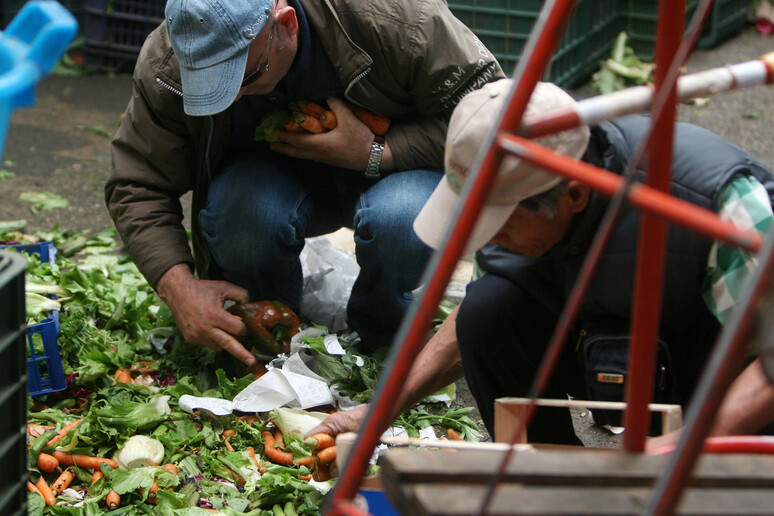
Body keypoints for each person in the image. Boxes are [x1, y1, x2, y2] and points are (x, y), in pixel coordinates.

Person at [308, 78, 774, 445]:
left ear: (572, 195)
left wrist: (690, 447)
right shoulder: (528, 210)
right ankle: (549, 488)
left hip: (714, 378)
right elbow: (473, 317)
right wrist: (381, 409)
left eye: (502, 223)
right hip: (616, 356)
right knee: (488, 312)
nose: (491, 238)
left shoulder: (716, 206)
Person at [105, 0, 505, 366]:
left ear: (286, 24)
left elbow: (495, 118)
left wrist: (377, 151)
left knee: (401, 221)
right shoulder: (172, 60)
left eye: (249, 78)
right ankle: (268, 340)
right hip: (273, 181)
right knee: (240, 213)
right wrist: (177, 286)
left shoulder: (398, 18)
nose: (234, 98)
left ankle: (384, 342)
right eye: (209, 91)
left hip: (398, 170)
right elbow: (137, 181)